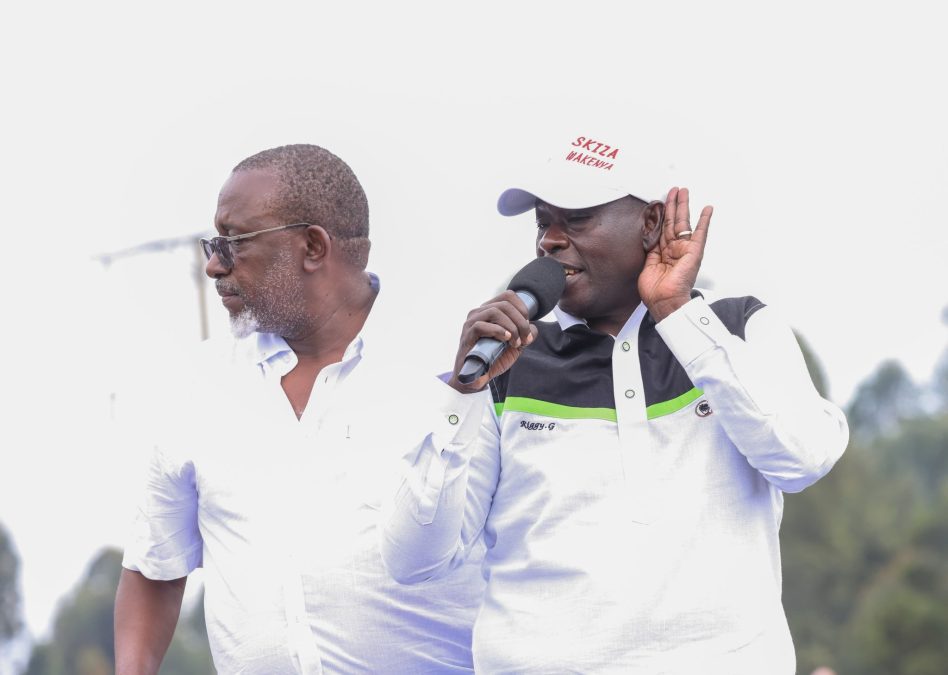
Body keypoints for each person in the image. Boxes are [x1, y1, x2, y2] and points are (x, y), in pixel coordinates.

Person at [381, 132, 850, 674]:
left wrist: (676, 312)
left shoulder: (735, 328)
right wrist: (463, 396)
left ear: (652, 223)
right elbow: (413, 560)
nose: (549, 241)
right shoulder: (510, 366)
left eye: (576, 219)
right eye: (542, 222)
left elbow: (802, 459)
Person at [115, 144, 486, 674]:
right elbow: (154, 568)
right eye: (213, 242)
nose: (213, 264)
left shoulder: (456, 368)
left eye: (234, 241)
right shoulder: (199, 385)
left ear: (313, 246)